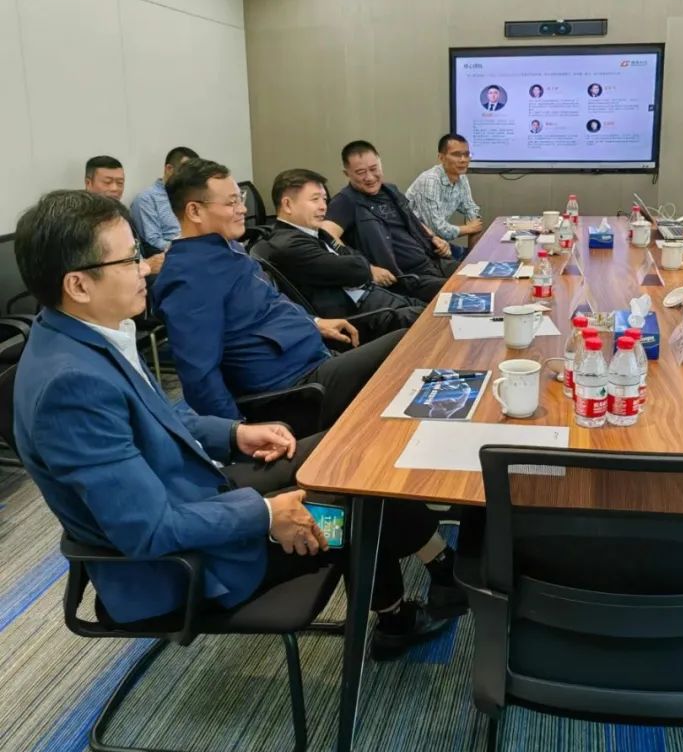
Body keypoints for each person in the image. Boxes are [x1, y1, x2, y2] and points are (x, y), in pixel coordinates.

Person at [12, 190, 460, 657]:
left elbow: (159, 417)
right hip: (187, 559)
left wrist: (234, 433)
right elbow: (149, 529)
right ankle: (404, 611)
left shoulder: (87, 333)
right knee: (356, 507)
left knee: (350, 450)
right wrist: (266, 515)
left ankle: (431, 578)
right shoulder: (71, 386)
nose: (145, 268)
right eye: (129, 260)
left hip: (199, 493)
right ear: (78, 285)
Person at [151, 158, 405, 427]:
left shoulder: (225, 248)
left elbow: (269, 302)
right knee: (402, 347)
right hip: (294, 391)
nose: (242, 209)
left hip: (311, 360)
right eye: (231, 203)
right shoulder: (188, 279)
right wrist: (236, 435)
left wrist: (315, 322)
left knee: (406, 350)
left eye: (240, 199)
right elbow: (199, 375)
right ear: (194, 211)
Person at [262, 168, 425, 335]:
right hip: (360, 316)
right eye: (315, 199)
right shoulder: (288, 244)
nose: (323, 207)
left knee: (433, 308)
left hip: (376, 297)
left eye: (324, 199)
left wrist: (357, 263)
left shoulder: (315, 232)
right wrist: (360, 265)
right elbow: (355, 269)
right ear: (287, 205)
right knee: (431, 320)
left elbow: (352, 256)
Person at [324, 140, 459, 302]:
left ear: (380, 164)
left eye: (374, 169)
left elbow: (413, 221)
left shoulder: (390, 190)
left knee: (477, 275)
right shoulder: (345, 201)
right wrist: (367, 269)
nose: (370, 177)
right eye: (360, 172)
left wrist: (434, 238)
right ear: (347, 174)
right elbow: (326, 234)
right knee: (464, 291)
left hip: (434, 261)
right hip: (409, 279)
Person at [405, 133, 485, 256]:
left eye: (466, 154)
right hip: (416, 245)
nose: (463, 160)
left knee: (481, 258)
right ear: (441, 157)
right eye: (456, 155)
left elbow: (471, 209)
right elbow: (437, 228)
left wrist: (472, 255)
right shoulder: (430, 180)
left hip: (439, 243)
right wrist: (469, 228)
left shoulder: (462, 178)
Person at [130, 146, 198, 254]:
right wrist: (186, 248)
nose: (190, 178)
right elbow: (152, 242)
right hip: (174, 255)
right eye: (186, 172)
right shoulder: (147, 199)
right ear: (169, 169)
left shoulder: (193, 197)